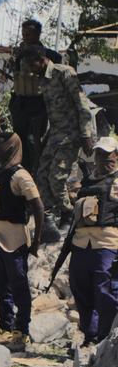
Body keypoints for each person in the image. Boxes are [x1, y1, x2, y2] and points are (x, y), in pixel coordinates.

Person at [19, 45, 96, 242]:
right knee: (41, 175)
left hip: (71, 136)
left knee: (56, 178)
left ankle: (68, 212)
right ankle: (50, 219)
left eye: (29, 64)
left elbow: (82, 105)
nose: (28, 69)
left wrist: (86, 135)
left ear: (40, 59)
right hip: (55, 136)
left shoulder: (65, 74)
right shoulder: (43, 81)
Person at [0, 133, 45, 352]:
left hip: (16, 237)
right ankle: (6, 327)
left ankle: (22, 331)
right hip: (0, 237)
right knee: (2, 286)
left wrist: (36, 240)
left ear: (9, 147)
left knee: (19, 285)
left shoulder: (21, 176)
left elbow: (38, 208)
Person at [68, 137, 118, 346]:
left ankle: (105, 339)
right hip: (81, 246)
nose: (104, 159)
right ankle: (91, 336)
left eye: (108, 155)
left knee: (105, 294)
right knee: (81, 291)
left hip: (107, 246)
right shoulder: (87, 181)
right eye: (99, 154)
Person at [10, 19, 63, 174]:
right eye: (24, 34)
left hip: (38, 103)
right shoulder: (19, 54)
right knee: (19, 137)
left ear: (38, 34)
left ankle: (35, 171)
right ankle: (20, 169)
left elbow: (56, 63)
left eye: (30, 34)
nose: (26, 37)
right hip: (21, 102)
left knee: (33, 140)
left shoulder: (48, 55)